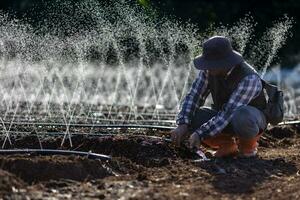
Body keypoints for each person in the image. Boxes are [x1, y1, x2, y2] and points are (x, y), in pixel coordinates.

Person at [171, 36, 268, 158]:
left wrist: (200, 134)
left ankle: (248, 148)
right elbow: (194, 96)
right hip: (225, 116)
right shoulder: (209, 71)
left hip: (252, 120)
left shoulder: (249, 78)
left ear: (224, 63)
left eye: (211, 63)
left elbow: (229, 112)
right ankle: (227, 145)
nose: (207, 66)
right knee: (193, 116)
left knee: (242, 115)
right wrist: (182, 124)